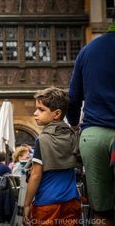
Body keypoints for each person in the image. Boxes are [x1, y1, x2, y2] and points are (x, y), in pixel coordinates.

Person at [67, 25, 115, 226]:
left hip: (93, 135)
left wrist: (74, 122)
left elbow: (73, 96)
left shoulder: (88, 50)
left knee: (101, 212)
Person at [23, 87, 81, 226]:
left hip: (47, 203)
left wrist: (26, 204)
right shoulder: (72, 136)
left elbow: (36, 175)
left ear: (56, 114)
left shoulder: (42, 140)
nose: (35, 113)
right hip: (72, 200)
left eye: (41, 110)